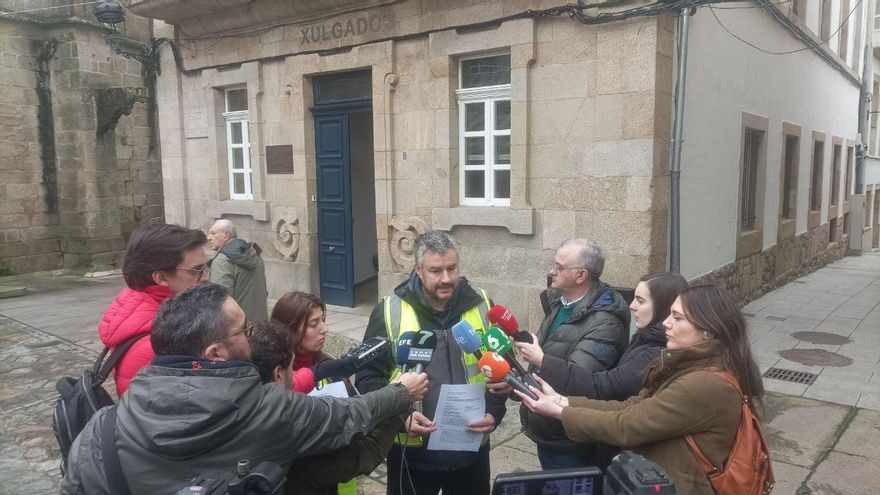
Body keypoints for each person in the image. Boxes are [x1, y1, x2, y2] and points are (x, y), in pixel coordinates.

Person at [61, 283, 428, 495]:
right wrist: (400, 394)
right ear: (215, 354)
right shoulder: (266, 409)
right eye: (244, 330)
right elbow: (348, 417)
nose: (252, 337)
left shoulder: (102, 427)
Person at [516, 284, 765, 494]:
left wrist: (560, 412)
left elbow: (628, 426)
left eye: (677, 318)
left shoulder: (705, 383)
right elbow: (631, 406)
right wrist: (562, 401)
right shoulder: (691, 366)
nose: (666, 323)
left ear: (707, 331)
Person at [355, 230, 507, 495]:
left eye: (452, 268)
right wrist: (402, 417)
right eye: (436, 271)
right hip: (412, 454)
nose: (446, 278)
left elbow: (501, 368)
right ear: (418, 269)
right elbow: (368, 378)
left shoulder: (482, 304)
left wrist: (494, 411)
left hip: (471, 452)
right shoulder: (390, 311)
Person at [249, 320, 404, 495]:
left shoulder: (236, 405)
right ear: (278, 374)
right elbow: (364, 453)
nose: (324, 329)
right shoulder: (295, 428)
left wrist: (319, 371)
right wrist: (401, 400)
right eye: (292, 368)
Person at [520, 238, 631, 470]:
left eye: (559, 267)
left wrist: (540, 358)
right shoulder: (560, 302)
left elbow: (582, 382)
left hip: (570, 440)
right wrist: (514, 385)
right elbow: (543, 364)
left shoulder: (605, 324)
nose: (552, 271)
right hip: (548, 430)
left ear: (581, 276)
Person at [516, 272, 688, 400]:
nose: (632, 306)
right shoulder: (646, 339)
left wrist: (542, 360)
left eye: (641, 301)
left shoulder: (653, 354)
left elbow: (603, 386)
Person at [98, 223, 208, 396]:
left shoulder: (149, 311)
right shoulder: (158, 341)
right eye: (196, 271)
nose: (205, 277)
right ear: (161, 277)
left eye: (205, 268)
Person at [207, 218, 269, 321]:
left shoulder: (222, 261)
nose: (208, 238)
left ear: (226, 235)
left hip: (238, 330)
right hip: (261, 326)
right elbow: (264, 292)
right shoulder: (255, 255)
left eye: (213, 233)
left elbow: (219, 303)